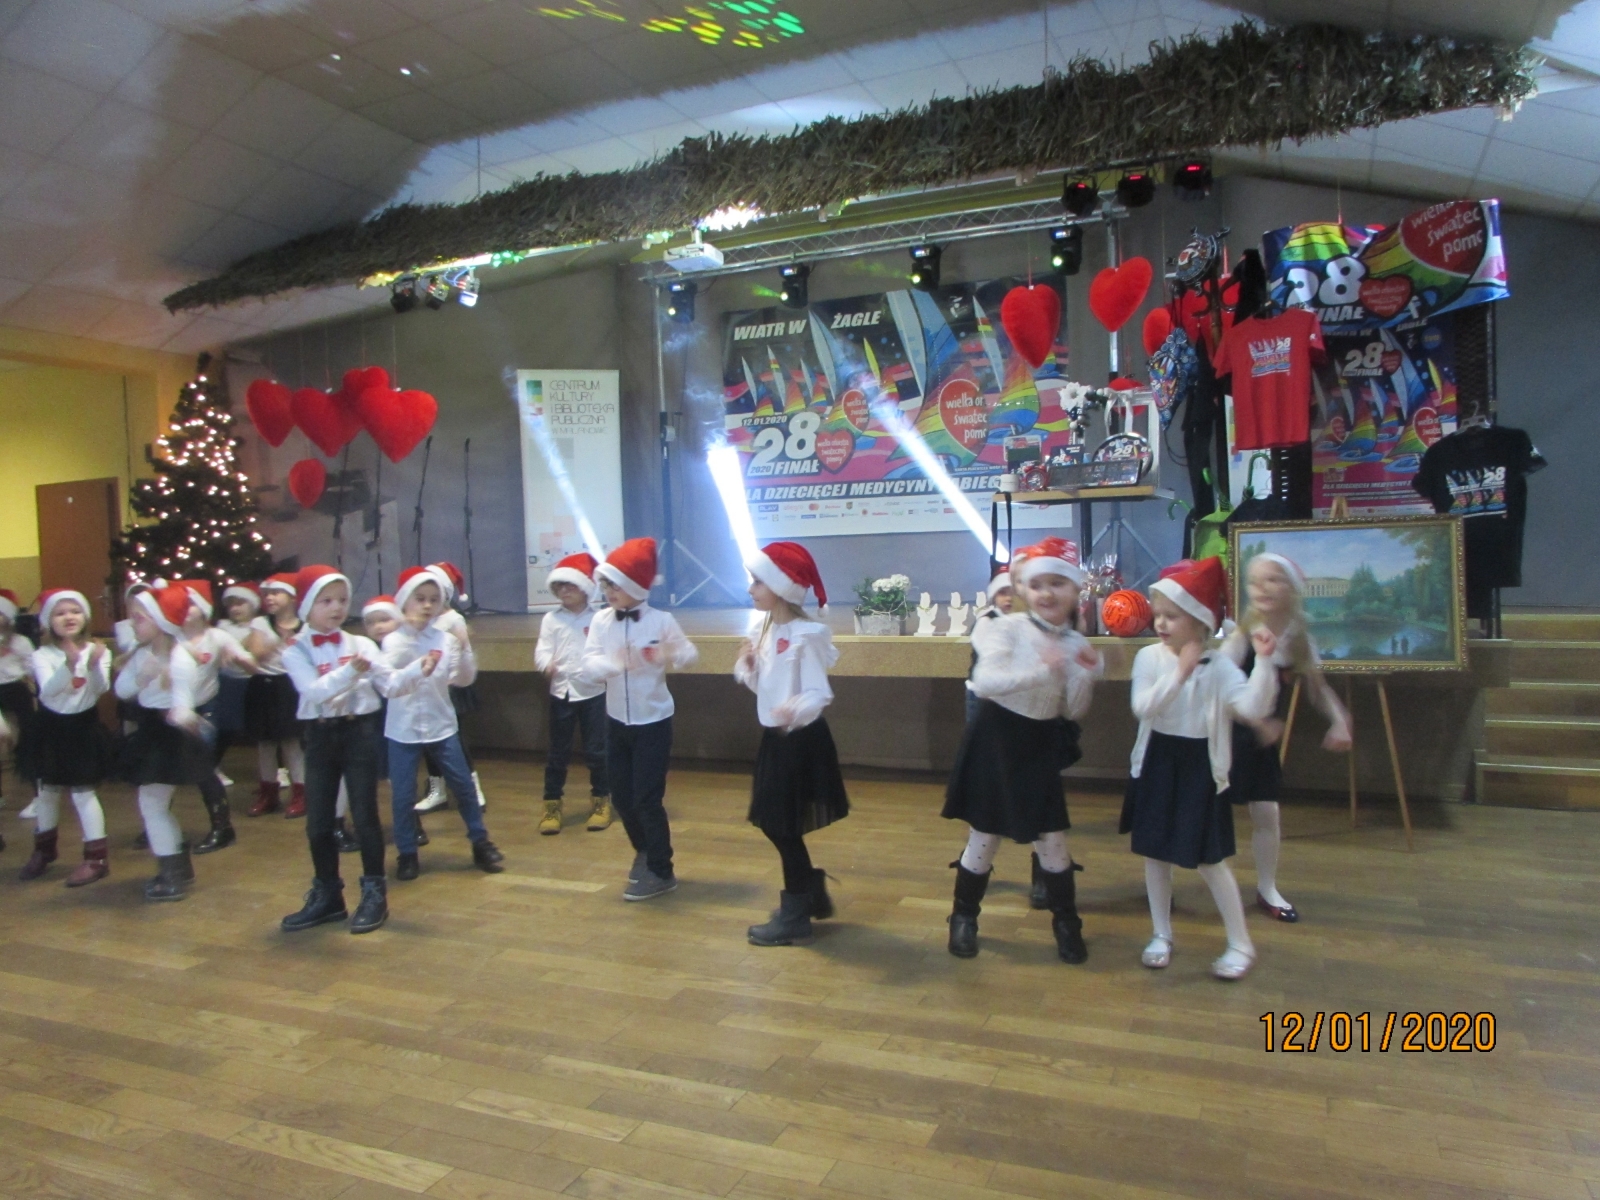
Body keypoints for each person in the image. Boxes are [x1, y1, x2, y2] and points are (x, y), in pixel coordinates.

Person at [942, 537, 1103, 964]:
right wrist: (1042, 670)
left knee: (1052, 839)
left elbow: (1073, 710)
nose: (1047, 593)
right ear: (1024, 590)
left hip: (1038, 744)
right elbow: (986, 683)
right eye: (1037, 585)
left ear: (1075, 590)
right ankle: (963, 917)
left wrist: (1084, 674)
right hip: (996, 739)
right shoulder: (1007, 627)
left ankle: (1066, 924)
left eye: (1058, 584)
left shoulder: (1074, 642)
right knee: (984, 834)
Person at [1121, 558, 1279, 981]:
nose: (1161, 623)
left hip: (1200, 768)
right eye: (1158, 615)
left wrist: (1264, 663)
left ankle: (1241, 943)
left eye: (1172, 616)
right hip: (1157, 761)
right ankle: (1161, 933)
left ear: (1199, 621)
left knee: (1211, 860)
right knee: (1156, 854)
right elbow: (1144, 707)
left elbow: (1251, 707)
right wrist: (1180, 672)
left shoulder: (1220, 666)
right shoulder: (1150, 659)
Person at [279, 567, 425, 934]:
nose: (337, 608)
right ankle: (328, 895)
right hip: (319, 736)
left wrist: (418, 670)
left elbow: (390, 686)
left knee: (365, 816)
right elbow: (313, 692)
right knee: (318, 823)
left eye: (342, 600)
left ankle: (375, 893)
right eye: (326, 601)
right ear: (307, 606)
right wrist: (351, 673)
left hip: (359, 733)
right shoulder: (296, 649)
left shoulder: (360, 644)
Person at [1222, 552, 1352, 922]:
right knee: (1206, 811)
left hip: (1258, 742)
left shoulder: (1298, 639)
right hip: (1223, 734)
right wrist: (1256, 721)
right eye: (1254, 581)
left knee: (1267, 812)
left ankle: (1267, 888)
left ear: (1292, 590)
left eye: (1272, 579)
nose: (1261, 588)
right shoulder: (1243, 635)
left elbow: (1318, 688)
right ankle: (1174, 879)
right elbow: (1217, 686)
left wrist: (1339, 719)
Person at [736, 542, 847, 946]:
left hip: (801, 742)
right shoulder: (763, 630)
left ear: (782, 588)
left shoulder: (808, 635)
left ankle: (797, 911)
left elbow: (818, 693)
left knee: (781, 827)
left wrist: (793, 710)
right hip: (776, 739)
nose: (751, 589)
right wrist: (750, 667)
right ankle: (808, 889)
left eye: (758, 582)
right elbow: (764, 687)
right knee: (774, 824)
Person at [579, 538, 698, 901]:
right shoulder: (601, 621)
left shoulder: (662, 620)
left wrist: (669, 653)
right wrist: (614, 663)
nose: (609, 592)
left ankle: (662, 870)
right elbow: (587, 667)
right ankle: (645, 851)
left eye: (616, 585)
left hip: (653, 722)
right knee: (621, 798)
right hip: (616, 722)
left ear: (636, 586)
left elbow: (689, 655)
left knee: (647, 799)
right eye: (606, 585)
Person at [380, 566, 503, 880]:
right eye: (419, 598)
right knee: (402, 795)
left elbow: (463, 679)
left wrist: (464, 649)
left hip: (441, 725)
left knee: (463, 786)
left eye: (433, 600)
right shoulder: (393, 641)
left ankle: (480, 842)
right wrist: (415, 661)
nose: (426, 605)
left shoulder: (445, 640)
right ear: (404, 601)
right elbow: (389, 684)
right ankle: (407, 852)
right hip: (403, 730)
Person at [114, 583, 209, 901]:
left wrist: (184, 715)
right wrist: (143, 676)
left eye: (139, 618)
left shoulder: (180, 659)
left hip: (167, 739)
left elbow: (183, 703)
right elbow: (122, 690)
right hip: (151, 732)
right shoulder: (142, 654)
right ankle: (178, 868)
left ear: (160, 621)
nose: (132, 624)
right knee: (154, 805)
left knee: (152, 806)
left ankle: (172, 875)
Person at [21, 590, 112, 885]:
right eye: (60, 613)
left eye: (74, 611)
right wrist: (69, 666)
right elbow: (48, 692)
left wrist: (93, 665)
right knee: (47, 792)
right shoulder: (42, 655)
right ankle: (44, 849)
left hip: (83, 729)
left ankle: (96, 858)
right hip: (51, 728)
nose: (68, 617)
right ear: (49, 622)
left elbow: (99, 689)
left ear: (85, 617)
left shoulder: (98, 651)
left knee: (84, 793)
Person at [178, 580, 257, 854]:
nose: (185, 610)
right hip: (173, 710)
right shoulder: (172, 637)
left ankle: (222, 827)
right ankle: (157, 824)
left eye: (191, 605)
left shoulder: (216, 636)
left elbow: (248, 660)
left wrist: (242, 659)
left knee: (204, 768)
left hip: (205, 710)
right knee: (165, 771)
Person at [535, 552, 610, 836]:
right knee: (557, 753)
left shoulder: (600, 618)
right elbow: (543, 649)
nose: (565, 591)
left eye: (571, 585)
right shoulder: (551, 620)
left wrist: (603, 669)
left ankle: (601, 800)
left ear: (585, 588)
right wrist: (546, 664)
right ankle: (552, 805)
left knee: (597, 751)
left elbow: (606, 650)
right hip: (562, 693)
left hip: (593, 693)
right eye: (560, 586)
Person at [416, 560, 488, 814]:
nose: (427, 602)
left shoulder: (453, 619)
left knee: (453, 739)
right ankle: (437, 789)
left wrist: (452, 678)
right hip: (426, 688)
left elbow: (462, 653)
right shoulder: (419, 620)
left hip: (451, 688)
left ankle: (472, 788)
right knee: (428, 740)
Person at [243, 574, 305, 817]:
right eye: (266, 594)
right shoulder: (260, 623)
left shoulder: (306, 625)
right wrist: (281, 641)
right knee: (265, 743)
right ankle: (268, 792)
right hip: (263, 685)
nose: (269, 598)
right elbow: (257, 652)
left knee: (292, 742)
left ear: (292, 597)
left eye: (276, 593)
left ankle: (301, 793)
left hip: (290, 685)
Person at [215, 583, 261, 769]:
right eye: (231, 605)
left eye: (240, 603)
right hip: (228, 682)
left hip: (254, 682)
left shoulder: (260, 626)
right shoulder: (223, 627)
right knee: (226, 727)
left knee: (263, 728)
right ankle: (212, 766)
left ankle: (277, 768)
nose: (235, 608)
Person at [0, 587, 36, 824]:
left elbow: (32, 668)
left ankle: (37, 794)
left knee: (27, 741)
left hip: (16, 691)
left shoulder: (21, 642)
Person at [964, 566, 1013, 725]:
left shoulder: (1018, 621)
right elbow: (990, 656)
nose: (1009, 598)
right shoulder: (987, 620)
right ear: (993, 596)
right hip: (983, 695)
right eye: (1003, 593)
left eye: (1013, 593)